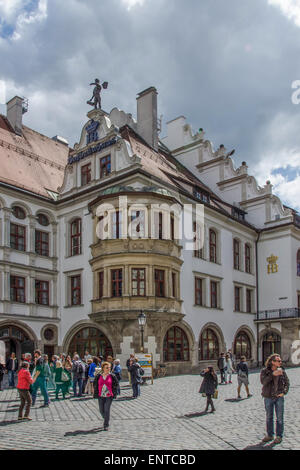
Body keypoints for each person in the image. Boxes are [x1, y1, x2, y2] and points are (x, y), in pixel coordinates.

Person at [260, 354, 289, 444]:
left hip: (279, 397)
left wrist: (284, 392)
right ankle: (270, 435)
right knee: (269, 417)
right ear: (272, 362)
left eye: (280, 361)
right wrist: (272, 374)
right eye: (278, 361)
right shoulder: (265, 371)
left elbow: (287, 383)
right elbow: (263, 382)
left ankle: (279, 436)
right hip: (268, 397)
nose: (280, 362)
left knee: (279, 418)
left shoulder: (282, 371)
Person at [93, 361, 119, 430]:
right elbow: (95, 384)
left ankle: (106, 424)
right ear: (103, 368)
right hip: (100, 395)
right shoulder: (99, 376)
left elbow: (116, 384)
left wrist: (114, 392)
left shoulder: (112, 376)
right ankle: (106, 418)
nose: (108, 369)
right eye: (107, 368)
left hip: (109, 395)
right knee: (101, 410)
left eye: (109, 368)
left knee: (107, 409)